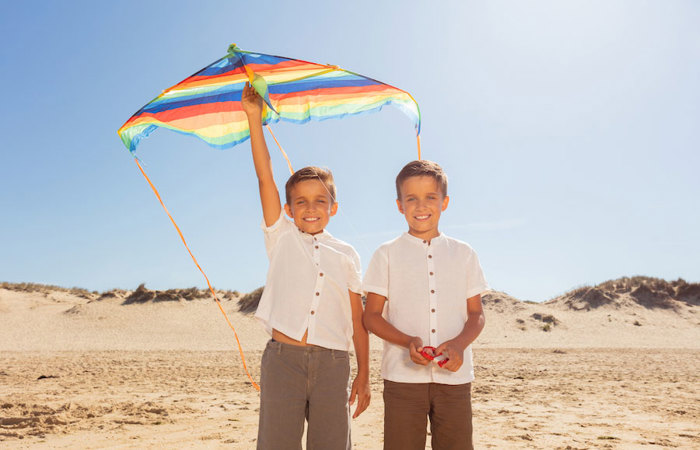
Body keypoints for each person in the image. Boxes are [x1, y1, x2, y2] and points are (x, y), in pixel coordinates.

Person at [241, 83, 370, 450]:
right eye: (300, 201)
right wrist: (254, 117)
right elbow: (265, 176)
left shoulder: (346, 252)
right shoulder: (280, 237)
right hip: (283, 361)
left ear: (334, 207)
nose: (310, 208)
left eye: (320, 200)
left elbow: (357, 321)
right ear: (288, 209)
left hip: (334, 364)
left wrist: (363, 373)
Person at [363, 160, 488, 450]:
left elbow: (476, 314)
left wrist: (458, 345)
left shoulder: (464, 253)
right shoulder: (386, 254)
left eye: (430, 197)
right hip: (401, 378)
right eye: (411, 199)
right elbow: (371, 317)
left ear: (444, 202)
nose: (421, 206)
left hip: (454, 379)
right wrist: (407, 341)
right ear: (399, 205)